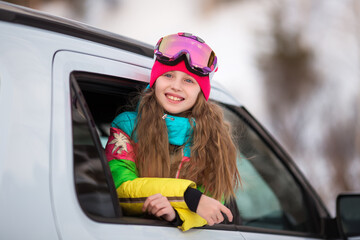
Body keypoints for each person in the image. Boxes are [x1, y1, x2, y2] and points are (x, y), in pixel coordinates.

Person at [105, 32, 241, 231]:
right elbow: (120, 189)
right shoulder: (127, 126)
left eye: (188, 81)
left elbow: (210, 207)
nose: (175, 87)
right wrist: (188, 197)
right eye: (168, 75)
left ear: (200, 92)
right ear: (155, 80)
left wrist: (177, 214)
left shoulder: (215, 139)